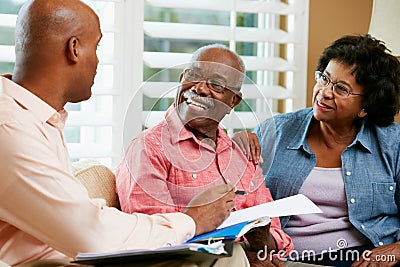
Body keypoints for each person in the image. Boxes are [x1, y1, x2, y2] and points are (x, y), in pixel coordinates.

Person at [0, 1, 249, 266]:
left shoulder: (37, 118)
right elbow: (91, 234)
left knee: (227, 256)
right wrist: (193, 220)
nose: (98, 61)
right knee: (223, 259)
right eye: (96, 47)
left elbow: (81, 221)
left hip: (71, 255)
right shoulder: (11, 128)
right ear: (74, 49)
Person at [115, 44, 295, 266]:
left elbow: (280, 238)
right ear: (181, 79)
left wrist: (262, 242)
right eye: (193, 76)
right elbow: (154, 237)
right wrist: (240, 258)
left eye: (216, 85)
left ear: (233, 102)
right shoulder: (147, 149)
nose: (199, 88)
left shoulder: (240, 154)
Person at [236, 34, 400, 267]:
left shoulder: (391, 143)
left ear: (366, 106)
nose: (324, 92)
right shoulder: (276, 131)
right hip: (287, 258)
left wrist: (395, 251)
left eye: (341, 89)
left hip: (362, 258)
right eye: (324, 78)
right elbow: (238, 204)